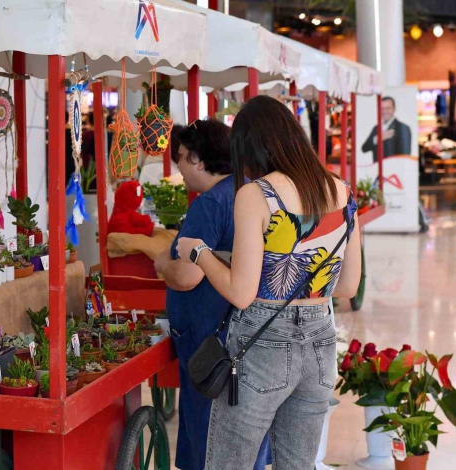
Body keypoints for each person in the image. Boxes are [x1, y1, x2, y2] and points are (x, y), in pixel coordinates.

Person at [176, 96, 361, 470]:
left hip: (264, 342)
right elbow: (347, 286)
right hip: (320, 344)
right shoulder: (341, 191)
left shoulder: (258, 194)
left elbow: (242, 294)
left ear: (250, 148)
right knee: (297, 464)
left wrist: (198, 253)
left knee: (232, 462)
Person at [154, 119, 270, 470]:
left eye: (181, 157)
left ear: (197, 159)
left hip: (209, 338)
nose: (180, 167)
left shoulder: (210, 204)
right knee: (243, 431)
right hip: (246, 333)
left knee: (208, 430)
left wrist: (161, 263)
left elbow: (188, 275)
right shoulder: (248, 191)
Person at [361, 96, 412, 163]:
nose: (385, 111)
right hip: (377, 170)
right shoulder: (376, 128)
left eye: (388, 108)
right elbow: (364, 148)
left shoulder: (403, 128)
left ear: (393, 109)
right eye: (382, 109)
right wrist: (377, 139)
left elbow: (405, 155)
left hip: (395, 171)